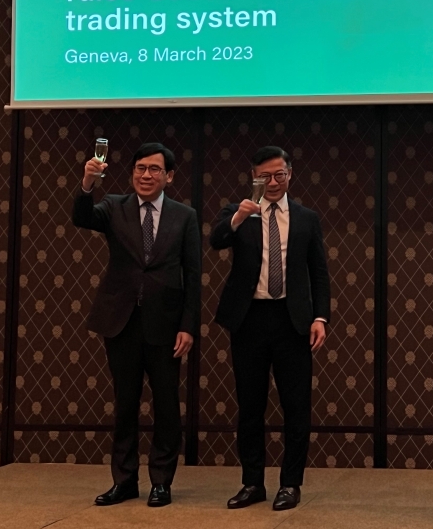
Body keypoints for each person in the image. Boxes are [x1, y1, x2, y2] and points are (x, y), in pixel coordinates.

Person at [72, 142, 201, 508]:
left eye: (155, 169)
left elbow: (193, 275)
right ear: (132, 173)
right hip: (121, 321)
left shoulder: (184, 216)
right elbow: (82, 217)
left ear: (169, 176)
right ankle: (124, 480)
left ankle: (161, 481)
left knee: (166, 404)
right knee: (125, 403)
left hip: (166, 324)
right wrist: (87, 183)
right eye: (140, 168)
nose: (146, 175)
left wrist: (188, 325)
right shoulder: (114, 206)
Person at [211, 145, 331, 511]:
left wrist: (320, 317)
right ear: (254, 177)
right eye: (265, 176)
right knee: (250, 405)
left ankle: (290, 484)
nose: (273, 182)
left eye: (279, 175)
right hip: (249, 319)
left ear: (290, 174)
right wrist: (237, 219)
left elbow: (319, 272)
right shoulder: (239, 211)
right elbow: (216, 240)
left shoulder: (306, 218)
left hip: (292, 320)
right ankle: (252, 483)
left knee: (296, 406)